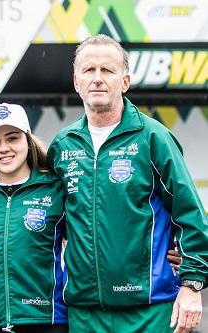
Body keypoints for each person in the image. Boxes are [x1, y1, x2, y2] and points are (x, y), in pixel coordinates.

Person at [47, 34, 208, 333]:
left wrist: (192, 284)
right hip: (84, 313)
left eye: (107, 70)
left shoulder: (154, 138)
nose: (97, 79)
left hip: (149, 311)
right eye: (88, 70)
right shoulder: (62, 145)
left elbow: (190, 214)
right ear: (76, 82)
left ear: (125, 81)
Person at [0, 103, 68, 333]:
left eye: (12, 138)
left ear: (27, 140)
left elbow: (89, 238)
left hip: (47, 321)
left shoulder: (55, 189)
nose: (3, 148)